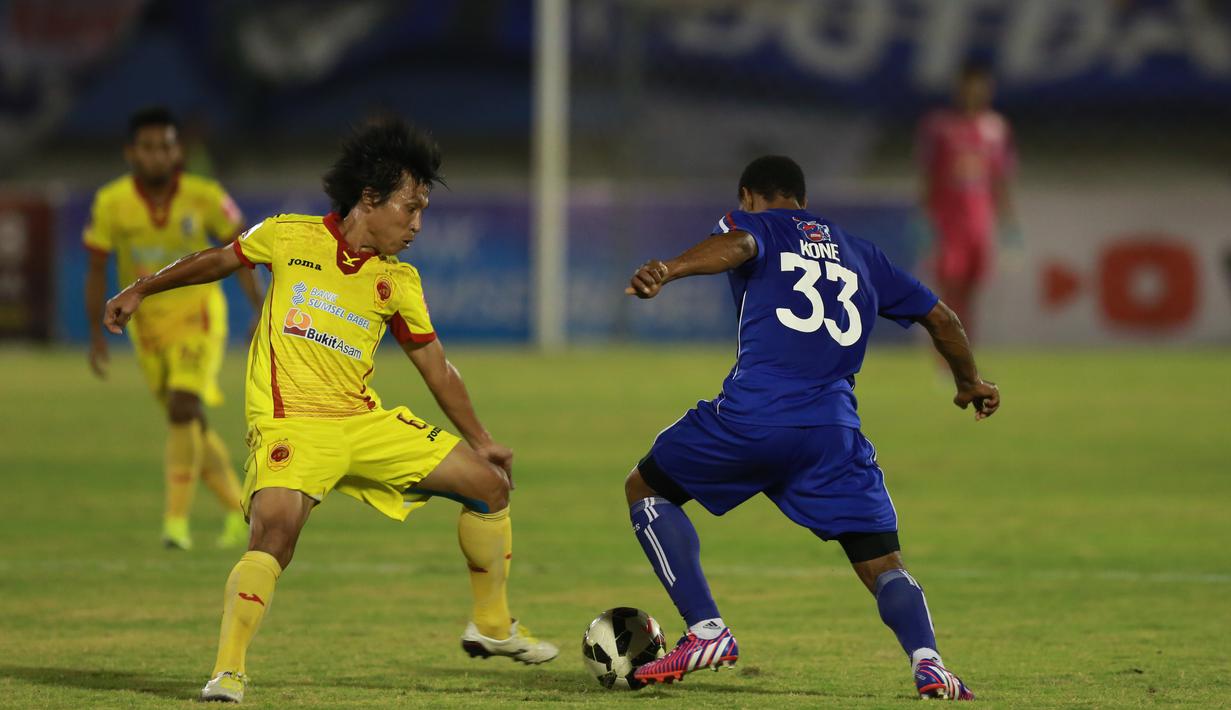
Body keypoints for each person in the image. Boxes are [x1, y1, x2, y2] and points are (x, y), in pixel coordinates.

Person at [102, 117, 558, 703]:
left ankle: (491, 624)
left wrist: (483, 440)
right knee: (274, 537)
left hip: (364, 424)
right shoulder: (288, 236)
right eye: (409, 208)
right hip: (292, 425)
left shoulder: (398, 281)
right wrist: (142, 287)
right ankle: (228, 672)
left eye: (422, 211)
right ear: (369, 198)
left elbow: (437, 368)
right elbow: (218, 260)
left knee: (489, 486)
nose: (417, 225)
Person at [621, 156, 999, 699]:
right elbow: (942, 318)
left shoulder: (754, 224)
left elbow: (741, 245)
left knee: (646, 488)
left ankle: (706, 630)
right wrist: (969, 383)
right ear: (803, 198)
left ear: (748, 196)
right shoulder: (861, 252)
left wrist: (670, 268)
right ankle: (930, 662)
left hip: (754, 417)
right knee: (883, 563)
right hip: (833, 434)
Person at [84, 106, 261, 550]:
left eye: (165, 146)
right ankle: (237, 512)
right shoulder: (111, 202)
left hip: (198, 314)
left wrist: (260, 308)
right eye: (147, 147)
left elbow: (243, 249)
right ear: (130, 153)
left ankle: (175, 524)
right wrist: (95, 336)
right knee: (188, 420)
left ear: (177, 151)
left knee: (183, 407)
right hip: (146, 326)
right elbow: (97, 268)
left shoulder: (205, 195)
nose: (157, 156)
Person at [917, 60, 1018, 338]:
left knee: (971, 294)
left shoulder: (996, 128)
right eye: (968, 87)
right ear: (958, 88)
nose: (973, 93)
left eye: (979, 87)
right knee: (949, 291)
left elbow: (1001, 180)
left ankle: (965, 351)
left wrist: (1010, 226)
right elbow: (928, 176)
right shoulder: (940, 127)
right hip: (948, 224)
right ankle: (945, 354)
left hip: (979, 224)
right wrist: (922, 219)